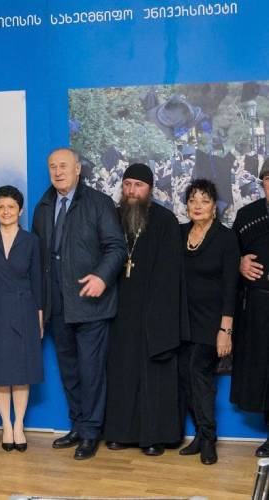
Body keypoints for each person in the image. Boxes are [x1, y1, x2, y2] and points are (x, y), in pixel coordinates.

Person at [32, 148, 125, 460]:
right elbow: (39, 259)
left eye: (63, 166)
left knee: (91, 371)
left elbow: (116, 248)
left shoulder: (99, 203)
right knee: (69, 371)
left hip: (91, 303)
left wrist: (102, 277)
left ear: (77, 169)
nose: (58, 172)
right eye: (52, 167)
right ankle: (77, 425)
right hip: (57, 304)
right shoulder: (43, 206)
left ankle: (90, 432)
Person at [103, 164, 184, 456]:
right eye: (127, 184)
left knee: (153, 376)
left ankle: (154, 436)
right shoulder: (113, 217)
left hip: (153, 312)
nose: (132, 191)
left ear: (149, 189)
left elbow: (170, 272)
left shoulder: (165, 220)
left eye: (138, 185)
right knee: (121, 371)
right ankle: (119, 432)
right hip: (119, 311)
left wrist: (157, 312)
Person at [0, 185, 43, 452]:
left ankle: (19, 426)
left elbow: (37, 281)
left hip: (25, 309)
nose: (6, 211)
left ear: (20, 210)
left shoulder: (31, 241)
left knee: (22, 371)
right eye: (1, 207)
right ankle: (6, 425)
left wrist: (39, 316)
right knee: (0, 372)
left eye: (11, 207)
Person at [179, 178, 239, 465]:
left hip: (212, 323)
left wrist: (225, 329)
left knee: (199, 374)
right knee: (186, 379)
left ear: (214, 207)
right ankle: (200, 434)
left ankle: (208, 439)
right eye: (192, 200)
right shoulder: (179, 234)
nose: (198, 206)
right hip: (182, 321)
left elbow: (231, 287)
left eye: (204, 200)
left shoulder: (226, 238)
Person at [231, 159, 269, 457]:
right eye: (268, 179)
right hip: (258, 309)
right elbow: (228, 254)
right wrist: (239, 263)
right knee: (264, 372)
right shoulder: (247, 216)